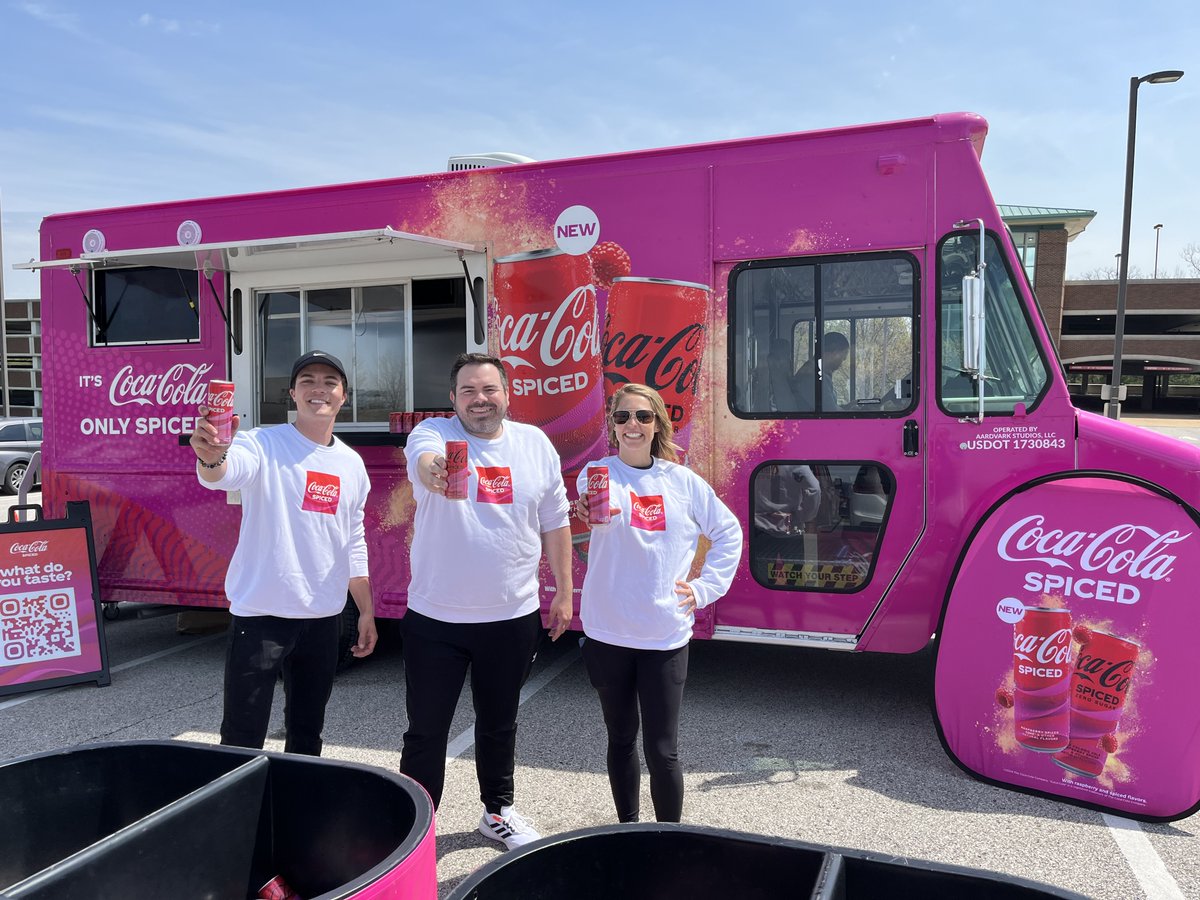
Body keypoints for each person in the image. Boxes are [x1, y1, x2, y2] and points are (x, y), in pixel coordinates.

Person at [402, 352, 572, 850]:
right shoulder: (434, 434)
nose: (480, 400)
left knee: (499, 723)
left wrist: (563, 591)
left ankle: (497, 812)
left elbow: (555, 519)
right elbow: (425, 461)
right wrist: (436, 470)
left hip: (512, 615)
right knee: (426, 730)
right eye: (469, 391)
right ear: (453, 399)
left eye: (489, 389)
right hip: (436, 617)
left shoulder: (534, 443)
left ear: (506, 394)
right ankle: (417, 826)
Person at [190, 350, 377, 757]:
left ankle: (296, 809)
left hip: (324, 618)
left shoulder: (352, 463)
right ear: (292, 392)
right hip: (260, 615)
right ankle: (240, 817)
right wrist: (211, 456)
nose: (319, 389)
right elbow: (224, 473)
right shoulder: (262, 443)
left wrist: (365, 610)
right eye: (307, 379)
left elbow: (353, 539)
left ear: (344, 395)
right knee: (242, 735)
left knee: (307, 733)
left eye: (330, 381)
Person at [573, 383, 742, 823]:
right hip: (607, 631)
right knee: (621, 740)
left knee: (662, 751)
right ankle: (628, 831)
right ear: (612, 426)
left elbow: (729, 533)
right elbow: (594, 507)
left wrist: (704, 589)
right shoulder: (597, 475)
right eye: (623, 417)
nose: (633, 425)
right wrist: (584, 507)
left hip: (664, 634)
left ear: (657, 425)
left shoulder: (682, 482)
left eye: (643, 417)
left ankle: (669, 840)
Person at [793, 332, 849, 411]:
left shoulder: (816, 373)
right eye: (843, 357)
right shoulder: (812, 376)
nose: (842, 362)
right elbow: (830, 413)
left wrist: (848, 407)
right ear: (834, 353)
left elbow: (829, 406)